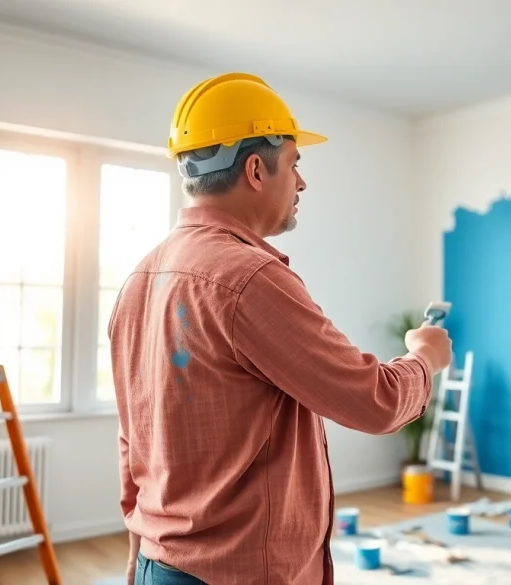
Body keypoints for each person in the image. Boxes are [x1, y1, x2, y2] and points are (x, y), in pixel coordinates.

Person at [108, 72, 453, 585]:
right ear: (254, 169)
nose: (301, 182)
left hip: (160, 566)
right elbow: (375, 402)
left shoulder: (139, 278)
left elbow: (134, 446)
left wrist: (141, 557)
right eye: (294, 164)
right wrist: (425, 357)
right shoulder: (249, 278)